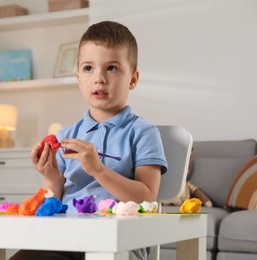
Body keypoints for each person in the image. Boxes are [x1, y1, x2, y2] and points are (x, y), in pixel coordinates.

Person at [10, 20, 167, 260]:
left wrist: (98, 170)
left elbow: (147, 197)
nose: (99, 78)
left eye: (112, 68)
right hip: (65, 240)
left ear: (133, 79)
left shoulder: (143, 132)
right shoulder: (66, 136)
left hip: (120, 243)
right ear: (78, 78)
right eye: (88, 68)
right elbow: (51, 201)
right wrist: (51, 178)